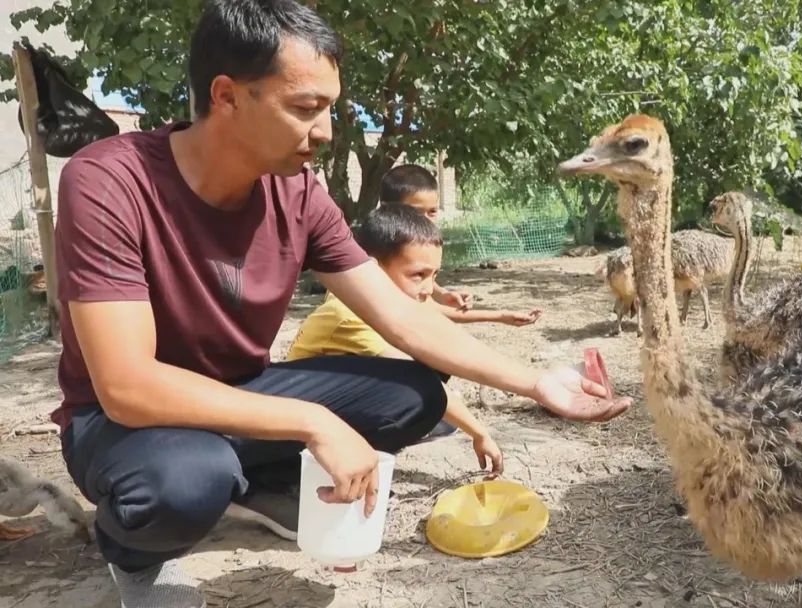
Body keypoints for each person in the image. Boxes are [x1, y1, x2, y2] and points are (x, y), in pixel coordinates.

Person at [51, 1, 629, 606]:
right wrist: (314, 420)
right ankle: (136, 555)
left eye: (329, 108)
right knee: (186, 482)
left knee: (417, 395)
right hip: (122, 423)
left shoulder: (298, 193)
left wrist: (537, 383)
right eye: (306, 108)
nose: (325, 131)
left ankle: (261, 482)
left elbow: (401, 315)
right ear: (226, 96)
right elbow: (127, 385)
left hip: (241, 393)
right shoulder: (110, 181)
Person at [288, 204, 543, 477]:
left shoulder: (382, 299)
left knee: (436, 364)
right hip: (300, 418)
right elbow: (422, 377)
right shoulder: (349, 314)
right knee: (421, 381)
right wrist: (479, 433)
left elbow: (437, 318)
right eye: (418, 275)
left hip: (335, 393)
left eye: (434, 276)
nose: (428, 289)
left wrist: (501, 315)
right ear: (372, 269)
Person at [376, 163, 473, 310]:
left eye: (432, 211)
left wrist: (442, 294)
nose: (426, 220)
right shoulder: (378, 246)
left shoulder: (418, 244)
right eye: (416, 212)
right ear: (387, 208)